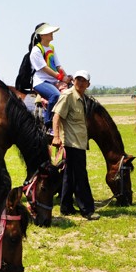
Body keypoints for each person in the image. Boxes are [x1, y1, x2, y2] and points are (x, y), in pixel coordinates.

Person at [51, 71, 100, 221]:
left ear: (88, 84)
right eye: (78, 79)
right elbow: (56, 116)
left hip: (78, 142)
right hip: (72, 143)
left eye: (83, 80)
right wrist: (56, 136)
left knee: (69, 176)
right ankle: (87, 209)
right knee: (80, 176)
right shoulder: (68, 95)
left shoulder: (83, 99)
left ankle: (66, 207)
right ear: (74, 81)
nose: (80, 82)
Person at [30, 23, 68, 129]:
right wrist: (60, 77)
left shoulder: (51, 47)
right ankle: (48, 122)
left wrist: (67, 77)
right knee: (55, 95)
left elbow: (58, 65)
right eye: (49, 32)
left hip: (54, 81)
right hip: (41, 81)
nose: (52, 34)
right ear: (42, 35)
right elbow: (44, 68)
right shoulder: (36, 50)